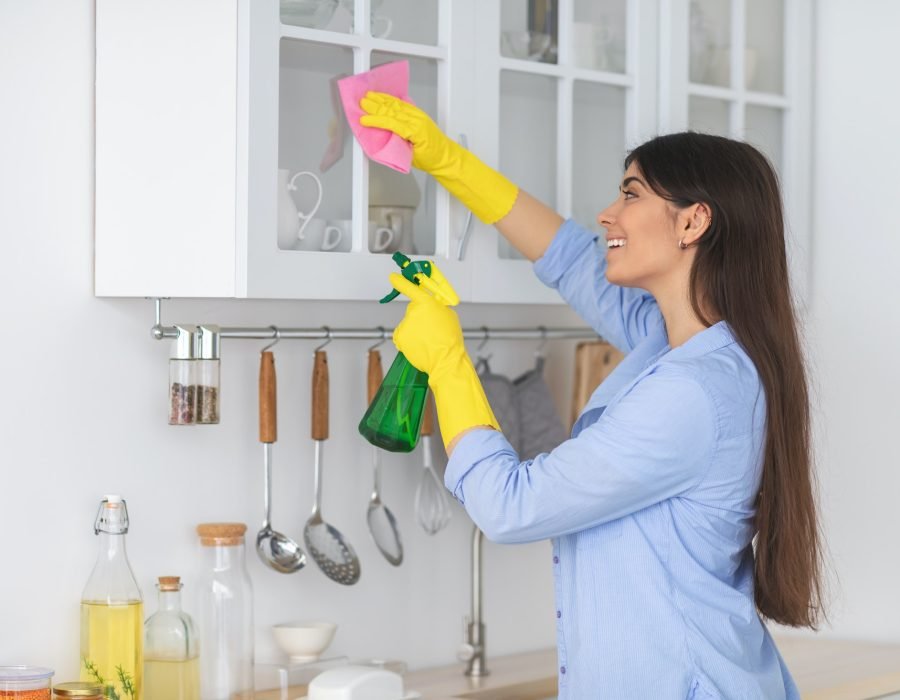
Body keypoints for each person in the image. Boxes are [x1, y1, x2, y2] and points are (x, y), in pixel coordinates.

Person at [359, 92, 824, 699]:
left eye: (631, 195)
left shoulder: (691, 394)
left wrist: (449, 359)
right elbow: (569, 256)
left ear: (692, 221)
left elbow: (511, 506)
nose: (609, 214)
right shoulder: (685, 345)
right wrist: (447, 160)